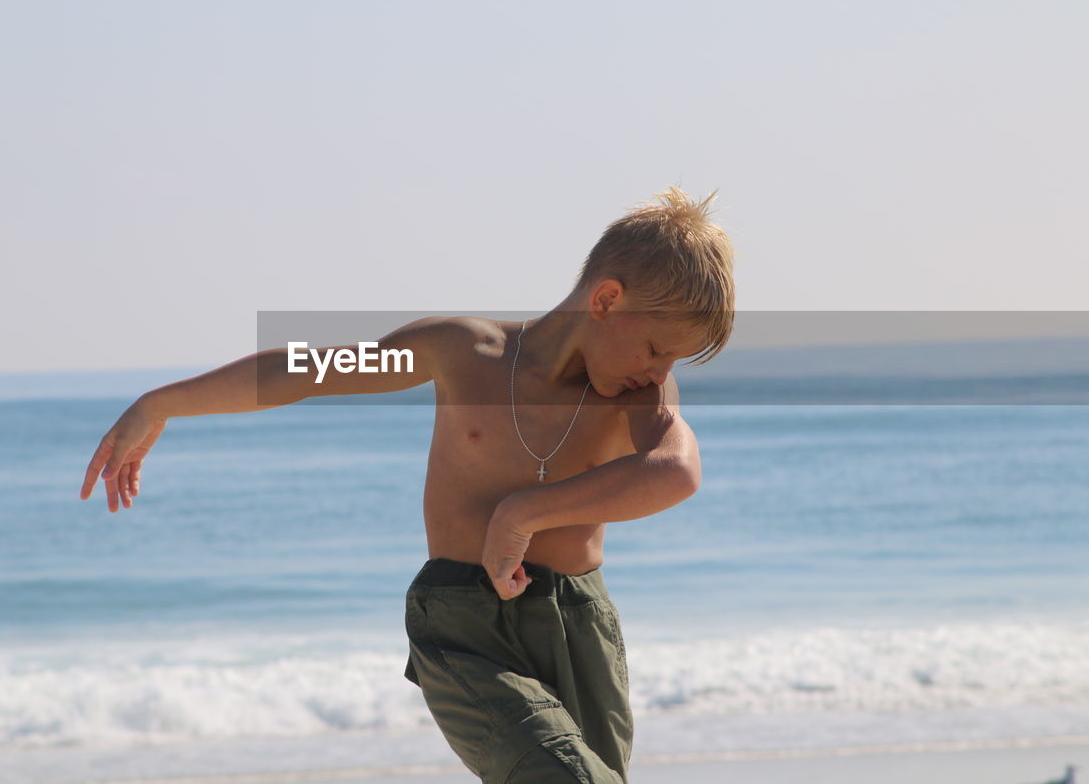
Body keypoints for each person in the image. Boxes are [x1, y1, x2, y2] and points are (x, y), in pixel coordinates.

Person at [78, 185, 736, 782]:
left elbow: (676, 470)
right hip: (462, 623)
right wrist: (162, 402)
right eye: (656, 347)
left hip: (577, 626)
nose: (659, 370)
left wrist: (521, 513)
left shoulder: (638, 397)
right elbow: (313, 370)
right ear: (607, 299)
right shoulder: (463, 351)